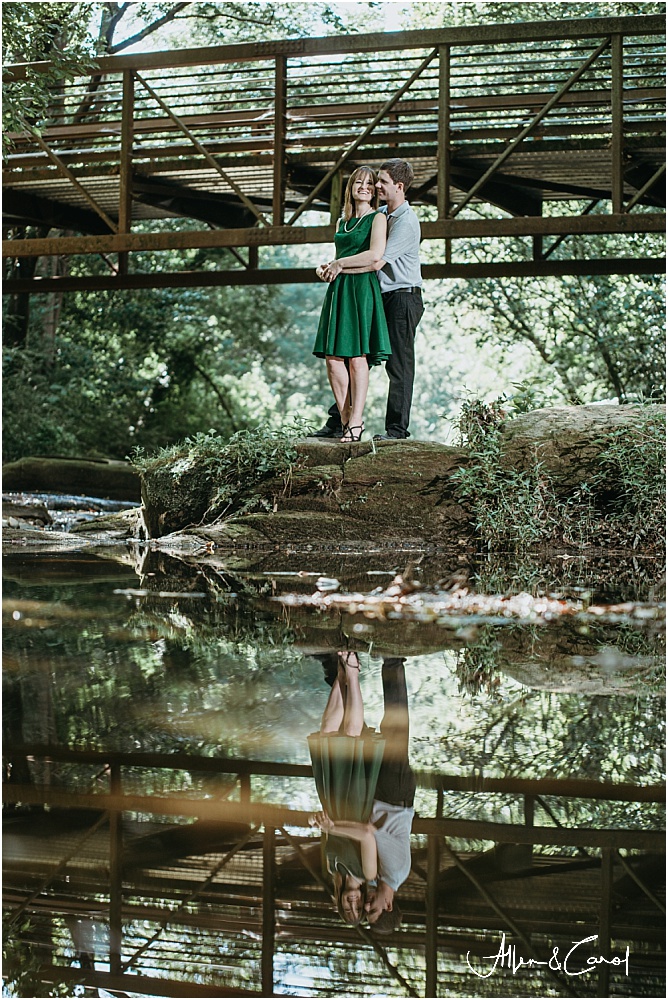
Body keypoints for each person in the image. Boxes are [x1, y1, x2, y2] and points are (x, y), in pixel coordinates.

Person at [311, 158, 424, 441]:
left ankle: (396, 431)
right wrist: (333, 267)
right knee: (353, 354)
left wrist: (339, 266)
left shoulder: (405, 222)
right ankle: (340, 420)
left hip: (402, 298)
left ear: (398, 186)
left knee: (397, 364)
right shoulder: (381, 212)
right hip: (377, 296)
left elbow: (375, 262)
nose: (375, 186)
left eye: (382, 182)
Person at [309, 653, 416, 933]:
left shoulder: (374, 879)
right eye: (373, 909)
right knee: (394, 728)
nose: (367, 905)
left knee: (356, 737)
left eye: (364, 911)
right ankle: (392, 663)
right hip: (395, 795)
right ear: (388, 905)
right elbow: (371, 832)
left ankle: (337, 669)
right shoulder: (396, 872)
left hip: (374, 796)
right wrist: (335, 828)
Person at [311, 166, 392, 442]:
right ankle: (346, 420)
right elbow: (339, 259)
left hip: (362, 290)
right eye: (359, 182)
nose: (365, 187)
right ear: (351, 188)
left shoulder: (378, 219)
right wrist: (328, 270)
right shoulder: (340, 223)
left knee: (358, 358)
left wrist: (340, 264)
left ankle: (357, 421)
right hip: (339, 291)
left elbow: (374, 256)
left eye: (370, 183)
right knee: (333, 360)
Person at [308, 650, 386, 925]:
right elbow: (367, 834)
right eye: (358, 909)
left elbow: (324, 824)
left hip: (331, 796)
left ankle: (340, 674)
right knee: (352, 737)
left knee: (327, 733)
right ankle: (352, 670)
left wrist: (317, 820)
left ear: (339, 901)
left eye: (347, 908)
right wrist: (332, 828)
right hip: (355, 803)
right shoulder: (367, 873)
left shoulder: (332, 869)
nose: (352, 904)